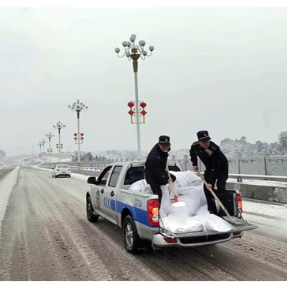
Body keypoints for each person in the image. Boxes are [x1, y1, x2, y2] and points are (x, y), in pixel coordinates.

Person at [189, 130, 229, 215]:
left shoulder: (214, 148)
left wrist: (211, 182)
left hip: (221, 167)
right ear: (199, 141)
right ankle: (212, 211)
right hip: (209, 167)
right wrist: (194, 164)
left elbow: (216, 167)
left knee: (220, 187)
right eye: (204, 142)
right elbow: (193, 153)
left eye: (208, 141)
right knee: (207, 189)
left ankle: (225, 211)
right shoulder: (195, 146)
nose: (207, 143)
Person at [145, 135, 176, 207]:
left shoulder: (164, 149)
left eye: (167, 146)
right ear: (159, 144)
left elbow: (161, 170)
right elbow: (156, 171)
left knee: (173, 178)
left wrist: (167, 178)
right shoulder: (154, 156)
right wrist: (166, 179)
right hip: (151, 174)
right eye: (164, 146)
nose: (166, 148)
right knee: (158, 194)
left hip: (160, 169)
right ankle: (158, 210)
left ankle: (168, 198)